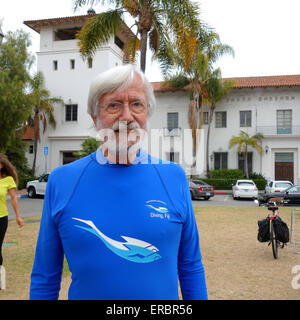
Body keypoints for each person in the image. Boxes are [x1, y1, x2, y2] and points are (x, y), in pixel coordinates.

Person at [30, 64, 207, 300]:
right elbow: (45, 276)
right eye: (113, 105)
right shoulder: (63, 181)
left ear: (147, 114)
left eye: (136, 104)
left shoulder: (173, 177)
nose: (127, 116)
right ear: (95, 117)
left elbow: (191, 267)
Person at [0, 154, 24, 289]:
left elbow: (14, 198)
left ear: (2, 165)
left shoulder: (8, 180)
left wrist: (18, 216)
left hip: (1, 218)